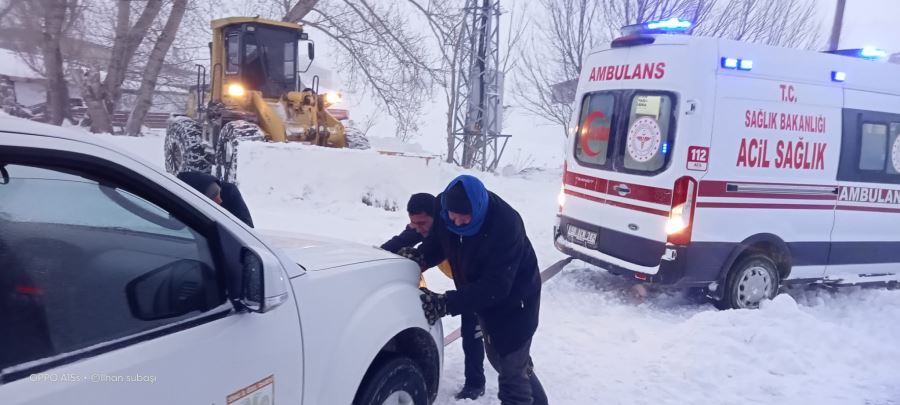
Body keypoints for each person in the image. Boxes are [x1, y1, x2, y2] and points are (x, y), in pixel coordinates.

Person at [417, 175, 547, 405]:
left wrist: (447, 303)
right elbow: (440, 243)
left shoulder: (506, 225)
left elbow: (497, 285)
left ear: (477, 211)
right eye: (451, 218)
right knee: (499, 358)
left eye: (464, 221)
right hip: (478, 293)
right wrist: (419, 257)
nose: (456, 224)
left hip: (516, 300)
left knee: (510, 367)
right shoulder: (443, 208)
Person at [381, 193, 487, 400]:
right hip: (457, 272)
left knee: (477, 327)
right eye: (414, 223)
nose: (418, 228)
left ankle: (477, 382)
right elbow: (397, 244)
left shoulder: (453, 228)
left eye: (422, 222)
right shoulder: (421, 227)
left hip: (477, 278)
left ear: (436, 217)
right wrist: (374, 257)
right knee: (472, 328)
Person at [176, 171, 254, 227]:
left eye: (218, 193)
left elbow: (247, 227)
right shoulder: (194, 208)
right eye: (214, 197)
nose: (220, 200)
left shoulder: (230, 192)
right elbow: (177, 226)